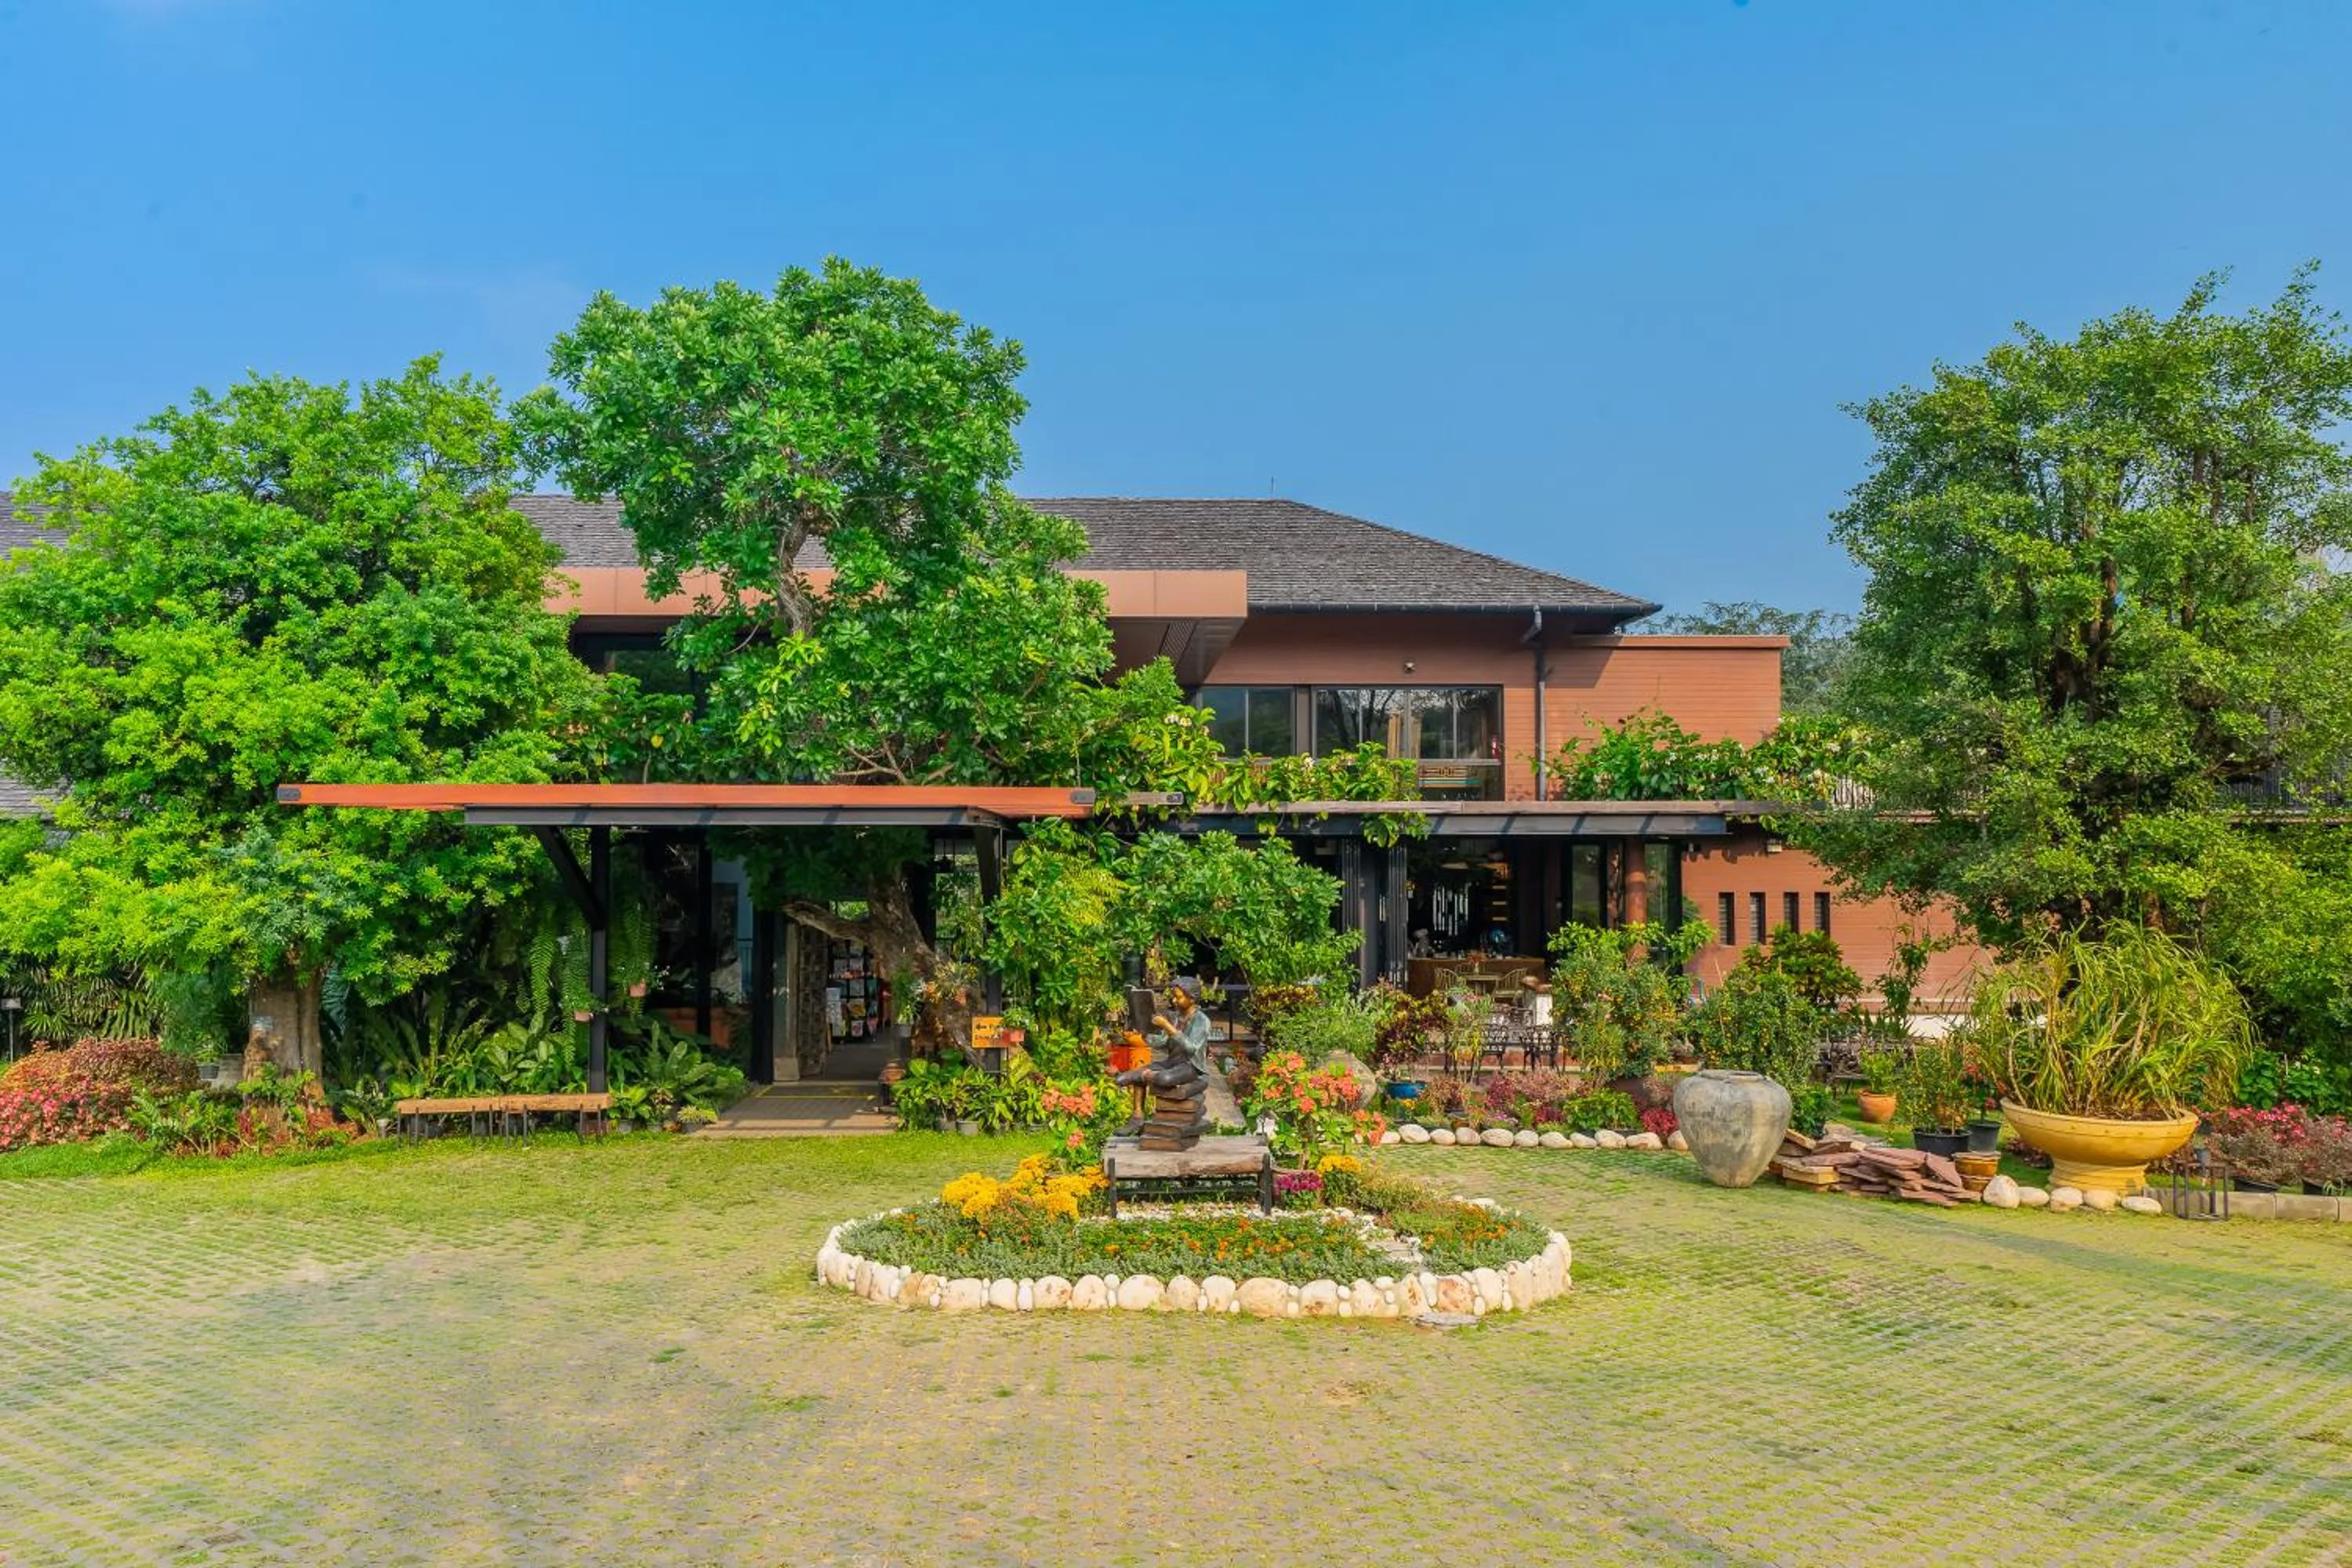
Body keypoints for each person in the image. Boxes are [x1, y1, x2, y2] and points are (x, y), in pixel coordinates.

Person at [1147, 976, 1212, 1076]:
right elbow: (1162, 1042)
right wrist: (1143, 1034)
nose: (1173, 1001)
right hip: (1172, 1063)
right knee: (1130, 1075)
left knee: (1162, 1078)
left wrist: (1167, 1026)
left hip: (1191, 1066)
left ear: (1192, 999)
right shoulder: (1174, 1017)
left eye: (1178, 997)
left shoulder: (1202, 1020)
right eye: (1173, 996)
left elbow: (1191, 1048)